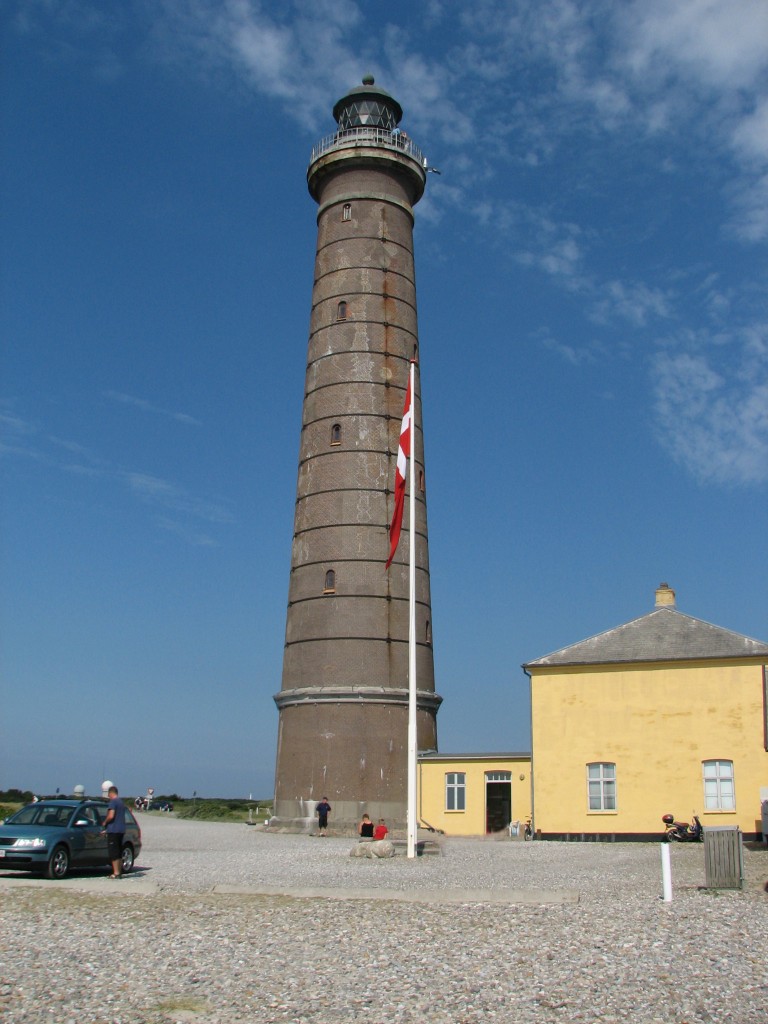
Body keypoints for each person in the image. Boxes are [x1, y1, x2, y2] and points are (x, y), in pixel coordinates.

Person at [102, 785, 126, 877]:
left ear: (111, 793)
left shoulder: (113, 802)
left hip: (114, 830)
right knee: (119, 851)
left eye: (109, 794)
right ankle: (119, 872)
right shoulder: (121, 802)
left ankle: (115, 873)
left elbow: (111, 815)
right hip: (121, 830)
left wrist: (105, 822)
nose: (108, 796)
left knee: (113, 852)